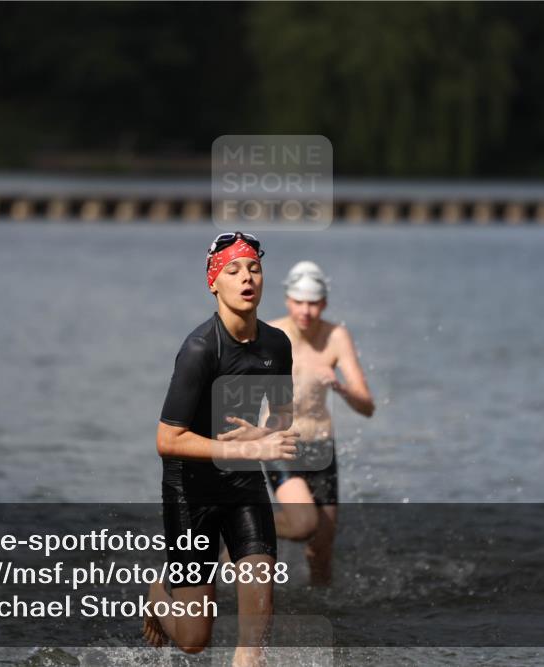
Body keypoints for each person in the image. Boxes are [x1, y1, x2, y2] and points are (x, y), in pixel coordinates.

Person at [144, 231, 300, 666]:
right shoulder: (199, 350)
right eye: (233, 270)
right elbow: (166, 439)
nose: (246, 278)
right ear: (214, 282)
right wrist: (240, 450)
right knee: (194, 641)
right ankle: (160, 595)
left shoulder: (276, 345)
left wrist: (264, 434)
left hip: (245, 489)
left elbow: (283, 416)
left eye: (254, 268)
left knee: (254, 642)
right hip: (189, 492)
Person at [265, 261, 375, 586]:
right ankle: (244, 527)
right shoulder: (268, 335)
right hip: (281, 445)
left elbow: (367, 407)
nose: (306, 311)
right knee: (303, 525)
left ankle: (325, 617)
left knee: (322, 552)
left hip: (321, 448)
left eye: (313, 303)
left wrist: (340, 387)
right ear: (287, 300)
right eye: (299, 302)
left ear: (324, 303)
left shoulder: (336, 337)